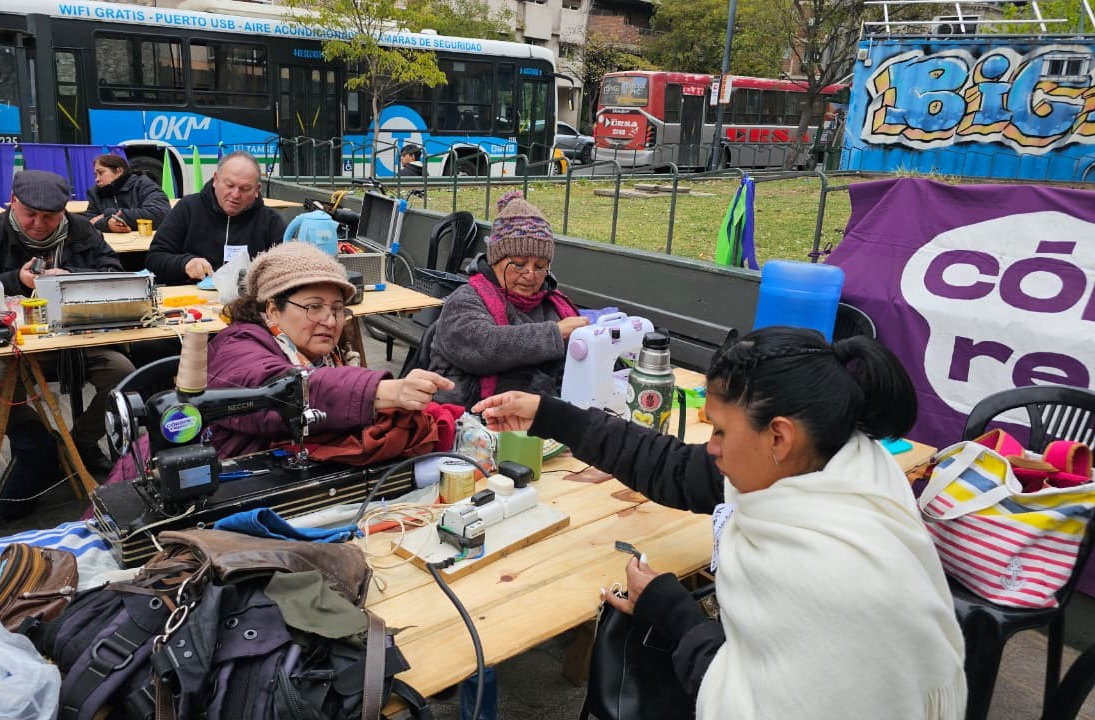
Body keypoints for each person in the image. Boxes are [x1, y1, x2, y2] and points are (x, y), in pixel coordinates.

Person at [473, 328, 967, 719]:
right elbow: (671, 467)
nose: (710, 445)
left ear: (778, 436)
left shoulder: (827, 573)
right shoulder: (834, 461)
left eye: (720, 430)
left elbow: (748, 702)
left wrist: (671, 612)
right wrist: (551, 416)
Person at [0, 170, 135, 520]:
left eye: (50, 217)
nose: (39, 224)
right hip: (13, 345)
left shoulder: (82, 229)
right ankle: (43, 446)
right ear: (13, 202)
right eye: (30, 215)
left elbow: (113, 271)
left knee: (124, 376)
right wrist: (17, 281)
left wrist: (73, 280)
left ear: (64, 212)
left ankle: (81, 442)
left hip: (75, 340)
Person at [208, 242, 453, 458]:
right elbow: (284, 391)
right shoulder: (236, 348)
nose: (331, 321)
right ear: (273, 310)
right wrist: (384, 390)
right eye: (314, 307)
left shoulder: (332, 356)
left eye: (337, 309)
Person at [427, 190, 588, 409]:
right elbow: (485, 346)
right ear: (495, 260)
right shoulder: (464, 301)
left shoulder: (554, 305)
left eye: (540, 267)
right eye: (519, 264)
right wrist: (555, 334)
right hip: (467, 420)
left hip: (536, 421)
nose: (530, 274)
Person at [146, 151, 286, 285]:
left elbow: (287, 269)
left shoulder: (270, 221)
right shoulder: (188, 208)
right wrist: (184, 263)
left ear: (257, 190)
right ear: (215, 180)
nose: (235, 194)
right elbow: (154, 260)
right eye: (229, 185)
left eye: (245, 189)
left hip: (248, 302)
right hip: (191, 301)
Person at [81, 153, 171, 234]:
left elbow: (159, 214)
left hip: (144, 246)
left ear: (119, 171)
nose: (97, 179)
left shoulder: (143, 185)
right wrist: (107, 224)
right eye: (95, 175)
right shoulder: (95, 192)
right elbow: (88, 222)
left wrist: (108, 214)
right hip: (110, 247)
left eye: (101, 173)